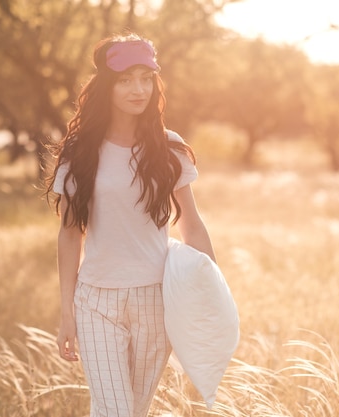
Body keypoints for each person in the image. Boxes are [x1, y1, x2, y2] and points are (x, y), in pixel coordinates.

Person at [45, 32, 215, 417]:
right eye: (125, 79)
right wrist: (67, 312)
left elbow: (193, 226)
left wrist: (211, 294)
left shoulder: (169, 148)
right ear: (107, 84)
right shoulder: (80, 152)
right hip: (96, 301)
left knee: (132, 412)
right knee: (114, 412)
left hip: (156, 299)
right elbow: (70, 232)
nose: (138, 89)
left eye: (145, 77)